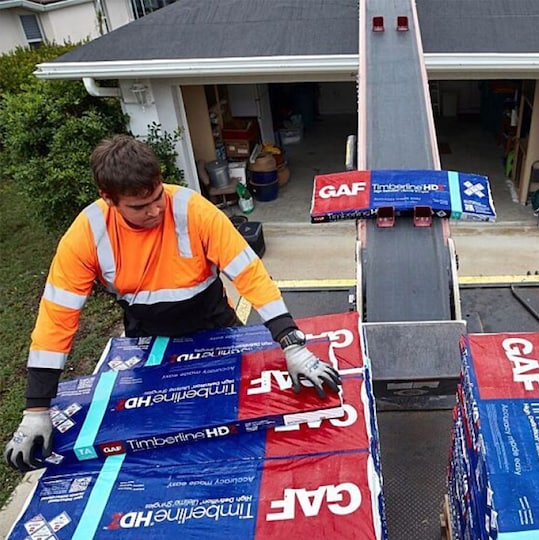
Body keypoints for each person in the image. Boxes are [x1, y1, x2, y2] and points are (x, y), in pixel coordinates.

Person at [4, 134, 341, 472]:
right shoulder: (87, 234)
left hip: (215, 326)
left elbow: (250, 275)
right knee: (160, 444)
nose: (154, 211)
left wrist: (291, 343)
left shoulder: (193, 210)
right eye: (139, 207)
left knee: (240, 431)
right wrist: (36, 408)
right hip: (148, 339)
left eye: (156, 197)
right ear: (108, 199)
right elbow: (57, 317)